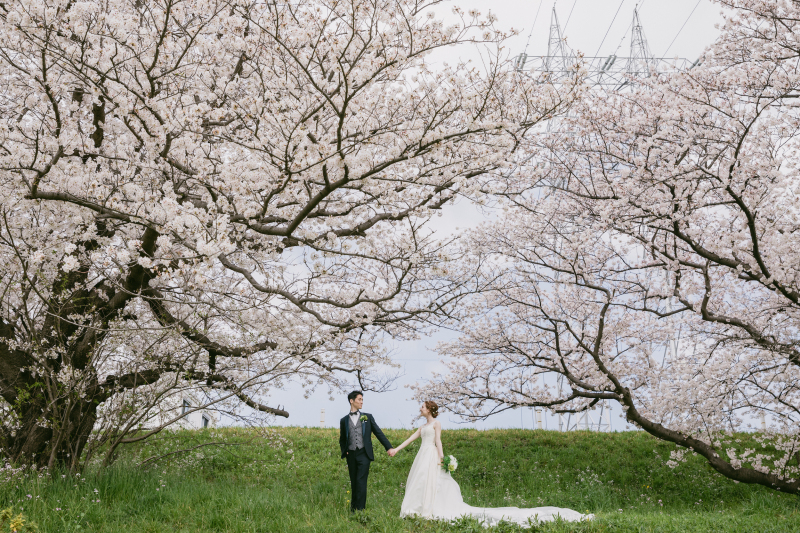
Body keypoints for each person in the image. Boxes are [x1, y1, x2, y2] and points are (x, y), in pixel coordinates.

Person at [389, 401, 592, 526]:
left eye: (422, 407)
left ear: (429, 409)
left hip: (432, 454)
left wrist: (442, 458)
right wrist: (396, 449)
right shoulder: (422, 426)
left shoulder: (436, 424)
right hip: (422, 456)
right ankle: (416, 509)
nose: (420, 409)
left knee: (432, 482)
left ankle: (428, 509)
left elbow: (438, 441)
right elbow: (411, 438)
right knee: (420, 481)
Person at [338, 391, 395, 512]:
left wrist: (389, 447)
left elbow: (378, 432)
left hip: (364, 454)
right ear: (351, 401)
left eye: (362, 400)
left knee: (361, 481)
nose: (362, 402)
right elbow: (342, 439)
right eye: (359, 399)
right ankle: (353, 509)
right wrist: (345, 451)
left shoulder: (367, 417)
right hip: (351, 454)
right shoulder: (343, 420)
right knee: (354, 482)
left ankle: (360, 510)